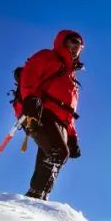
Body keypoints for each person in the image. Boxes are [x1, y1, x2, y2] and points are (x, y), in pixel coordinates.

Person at [17, 29, 85, 200]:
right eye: (72, 41)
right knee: (58, 153)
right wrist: (30, 98)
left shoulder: (72, 78)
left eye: (79, 44)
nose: (76, 46)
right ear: (62, 42)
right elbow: (29, 74)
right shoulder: (48, 57)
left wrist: (72, 137)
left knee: (51, 156)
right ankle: (35, 195)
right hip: (40, 113)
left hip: (60, 122)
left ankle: (39, 197)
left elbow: (69, 111)